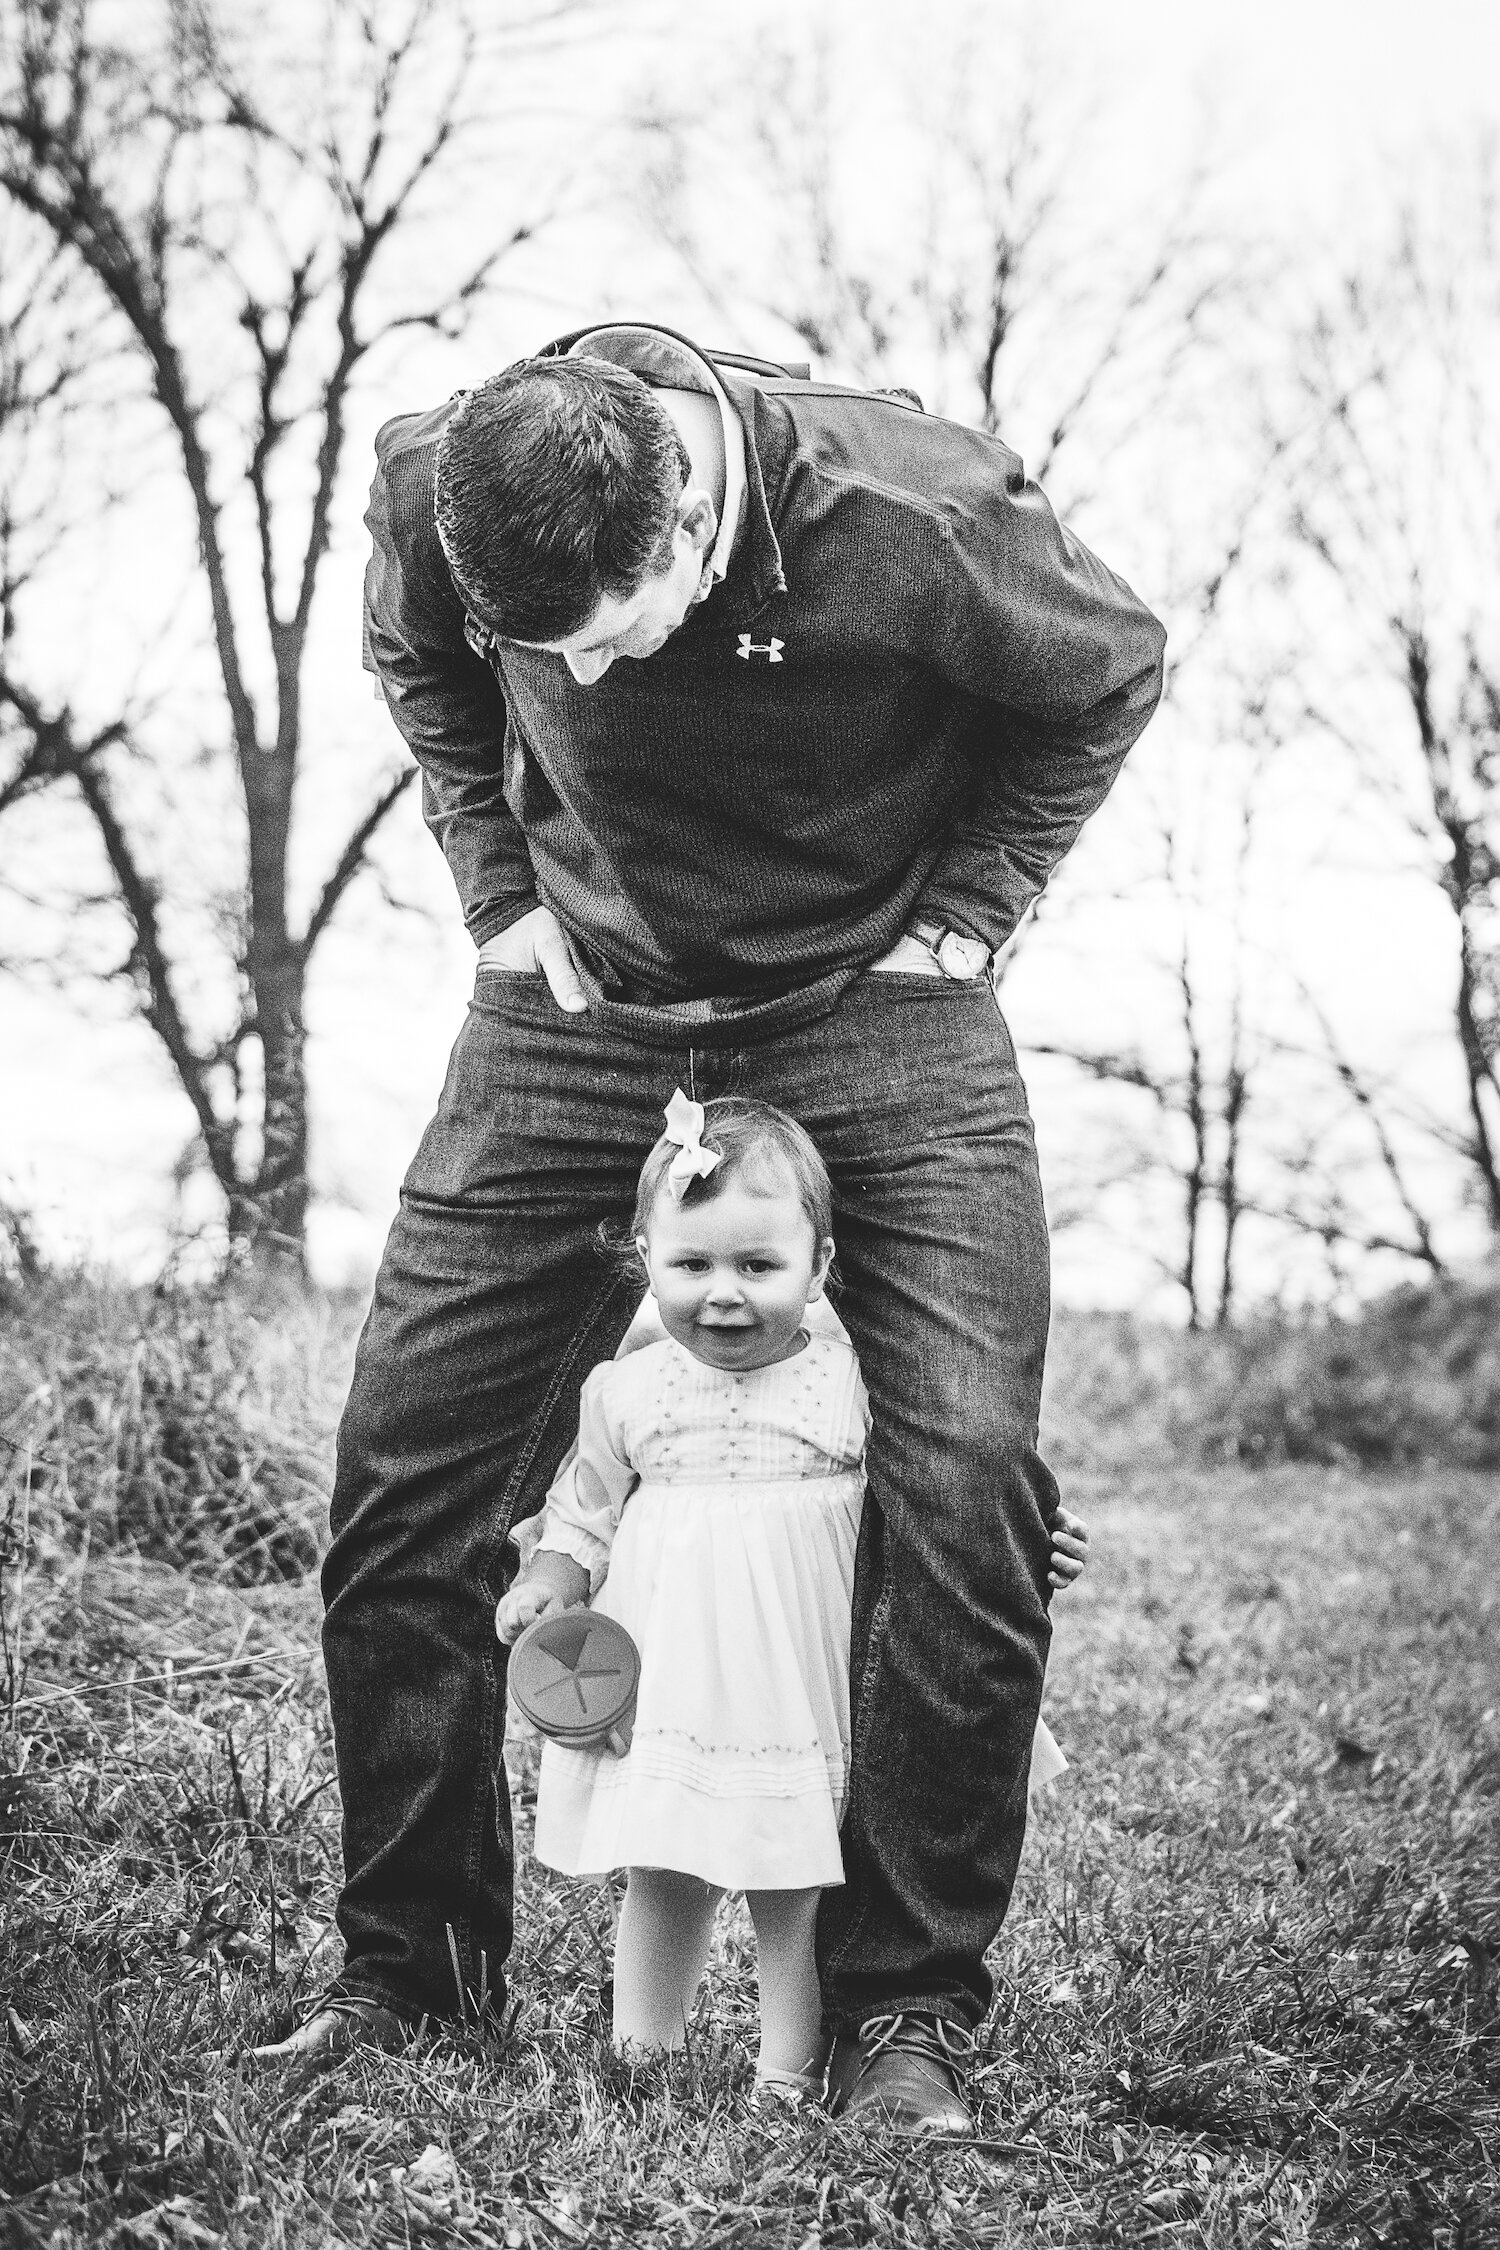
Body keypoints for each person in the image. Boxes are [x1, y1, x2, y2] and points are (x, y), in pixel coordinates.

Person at [261, 319, 1165, 2132]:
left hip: (877, 1005)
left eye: (614, 620)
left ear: (686, 514)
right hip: (579, 1011)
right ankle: (412, 1982)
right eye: (550, 649)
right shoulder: (440, 488)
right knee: (406, 1469)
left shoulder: (920, 517)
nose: (581, 675)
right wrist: (496, 884)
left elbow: (1111, 671)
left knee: (967, 1473)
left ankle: (904, 2015)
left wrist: (976, 912)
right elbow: (415, 655)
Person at [495, 1093, 1088, 2106]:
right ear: (645, 1258)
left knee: (795, 1868)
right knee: (663, 1860)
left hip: (800, 1663)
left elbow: (941, 1502)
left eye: (758, 1267)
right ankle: (642, 2052)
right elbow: (582, 1512)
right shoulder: (623, 1391)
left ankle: (791, 2064)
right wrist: (548, 1583)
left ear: (818, 1267)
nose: (722, 1295)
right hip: (677, 1668)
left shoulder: (855, 1382)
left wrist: (1026, 1545)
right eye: (691, 1266)